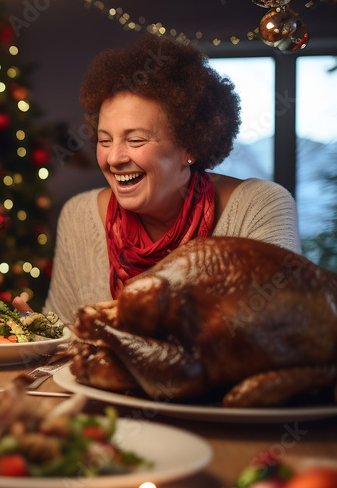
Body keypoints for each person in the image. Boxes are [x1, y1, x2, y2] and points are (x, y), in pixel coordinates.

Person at [44, 34, 301, 325]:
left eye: (136, 139)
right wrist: (31, 330)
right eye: (105, 140)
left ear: (190, 146)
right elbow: (61, 333)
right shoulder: (78, 215)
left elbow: (281, 329)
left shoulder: (259, 207)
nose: (114, 158)